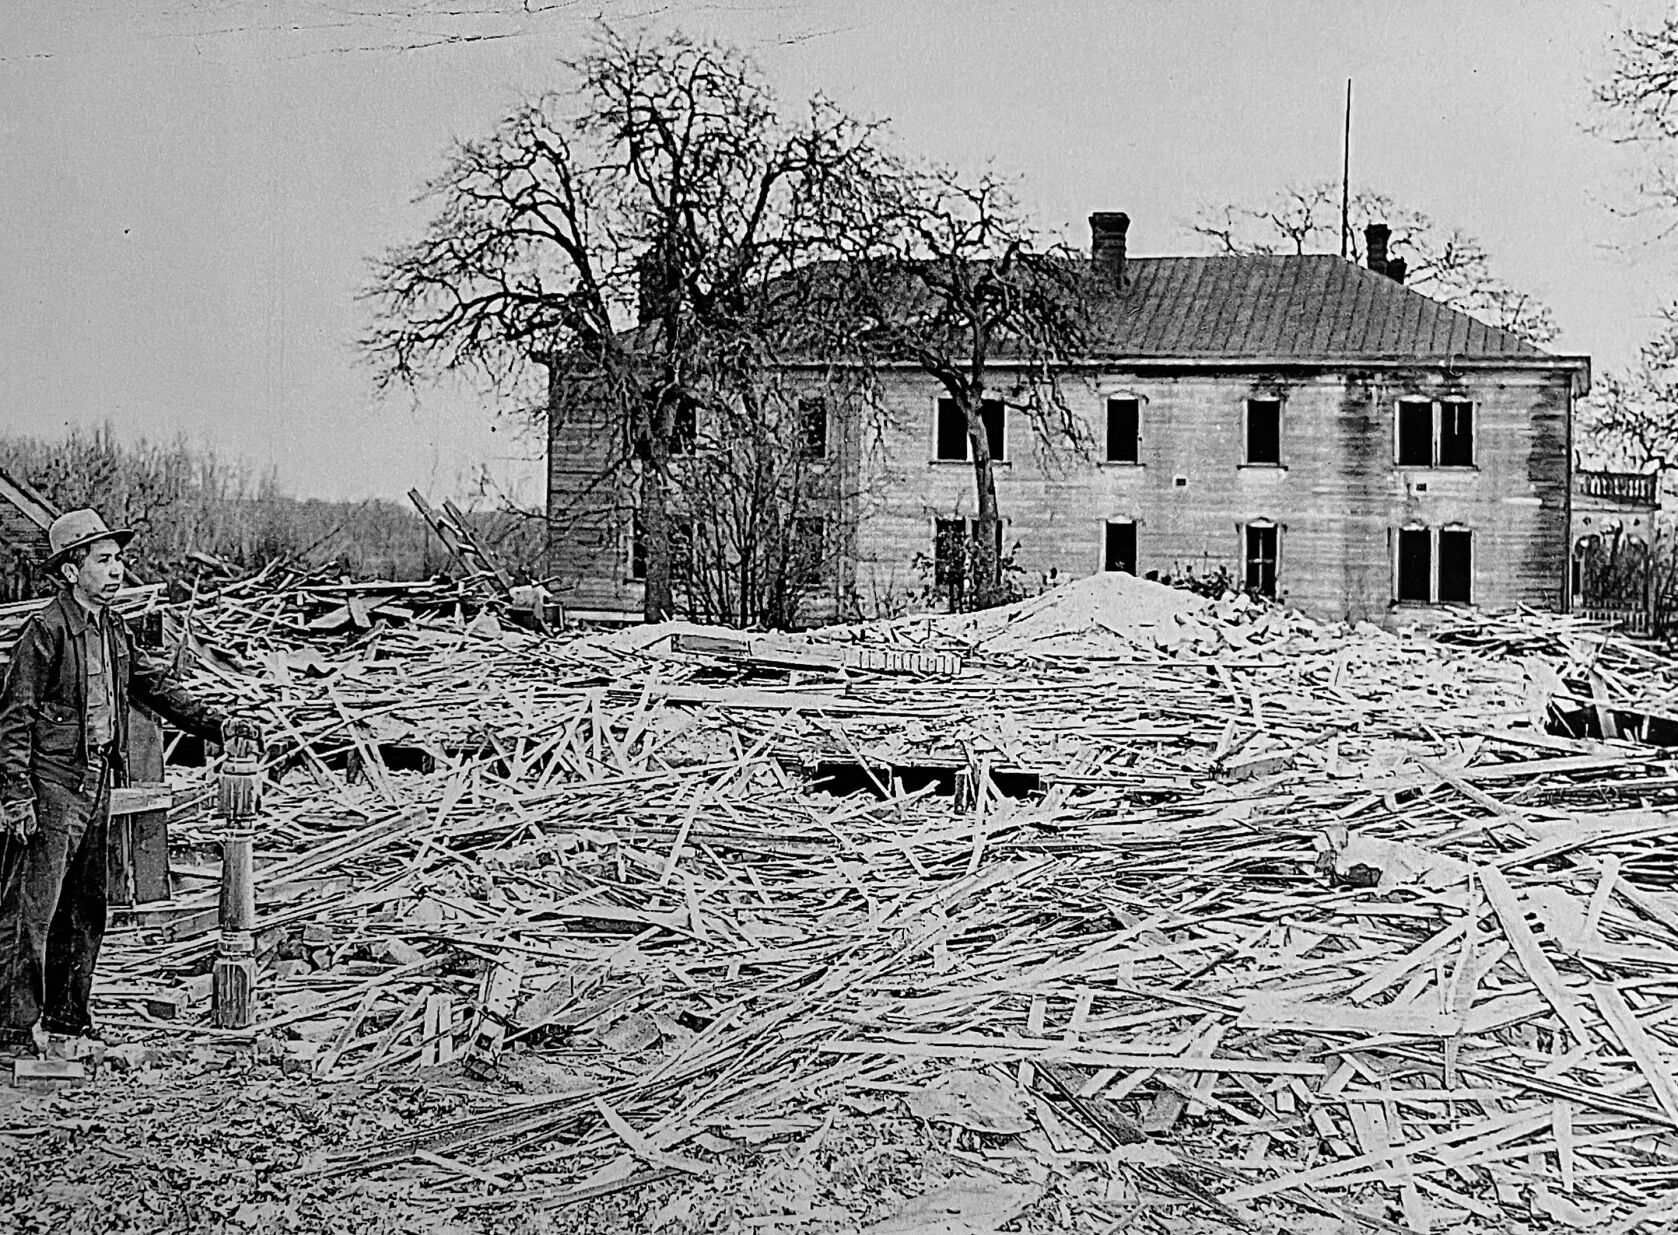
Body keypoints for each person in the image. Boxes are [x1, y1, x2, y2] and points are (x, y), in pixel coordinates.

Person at [0, 509, 257, 1054]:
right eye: (104, 559)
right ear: (72, 571)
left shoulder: (112, 628)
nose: (118, 569)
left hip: (95, 782)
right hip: (50, 787)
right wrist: (17, 794)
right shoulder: (45, 632)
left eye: (118, 558)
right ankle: (13, 1031)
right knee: (30, 911)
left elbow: (155, 686)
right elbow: (13, 718)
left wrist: (219, 723)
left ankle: (69, 1017)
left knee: (86, 907)